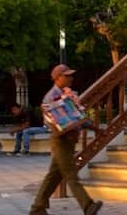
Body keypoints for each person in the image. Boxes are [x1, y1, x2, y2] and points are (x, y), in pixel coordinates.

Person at [31, 64, 102, 215]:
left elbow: (77, 117)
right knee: (71, 174)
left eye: (71, 75)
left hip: (68, 141)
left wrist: (94, 128)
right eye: (67, 76)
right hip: (61, 140)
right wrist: (66, 126)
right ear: (58, 78)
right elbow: (51, 121)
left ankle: (37, 208)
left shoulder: (68, 95)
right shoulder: (51, 97)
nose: (71, 78)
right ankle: (88, 206)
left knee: (53, 176)